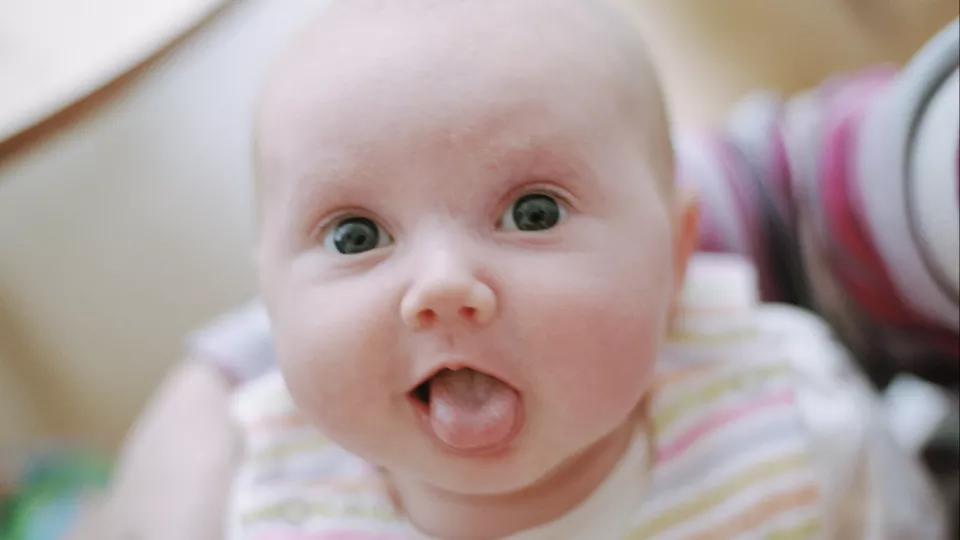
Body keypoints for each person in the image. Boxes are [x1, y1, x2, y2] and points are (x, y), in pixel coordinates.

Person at [83, 3, 957, 539]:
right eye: (355, 236)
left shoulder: (792, 413)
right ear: (265, 296)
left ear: (678, 247)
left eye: (531, 213)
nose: (441, 285)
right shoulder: (262, 502)